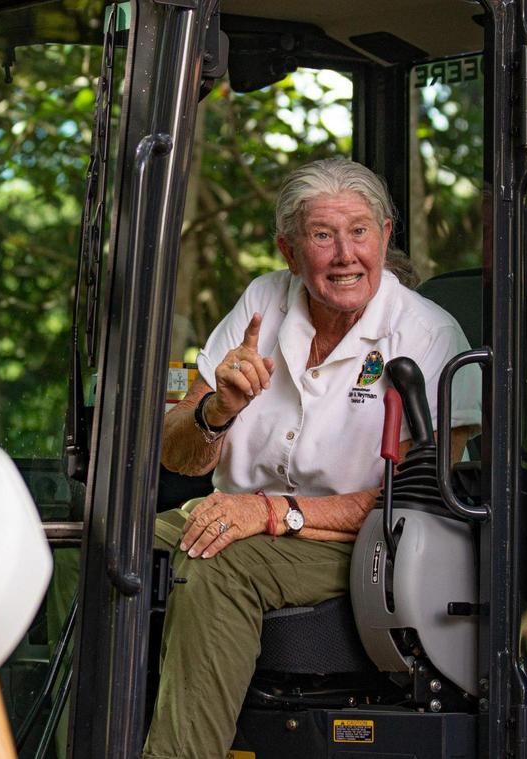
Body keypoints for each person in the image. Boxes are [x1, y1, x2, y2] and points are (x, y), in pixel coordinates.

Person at [143, 157, 481, 759]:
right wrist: (215, 411)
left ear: (385, 235)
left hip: (361, 542)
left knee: (222, 565)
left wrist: (274, 513)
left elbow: (410, 501)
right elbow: (179, 454)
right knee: (91, 545)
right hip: (237, 513)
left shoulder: (429, 337)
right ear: (290, 252)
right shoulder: (262, 304)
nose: (345, 254)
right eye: (323, 235)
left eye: (360, 231)